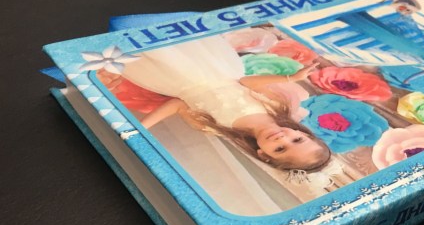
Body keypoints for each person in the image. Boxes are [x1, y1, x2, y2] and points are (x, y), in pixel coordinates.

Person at [120, 35, 331, 172]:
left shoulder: (216, 127)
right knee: (173, 39)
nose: (282, 138)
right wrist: (290, 78)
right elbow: (245, 82)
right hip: (215, 68)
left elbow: (178, 104)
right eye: (297, 140)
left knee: (146, 48)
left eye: (280, 149)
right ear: (303, 133)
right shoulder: (275, 106)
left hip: (177, 79)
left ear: (263, 154)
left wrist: (143, 126)